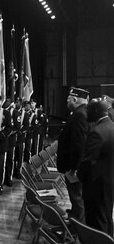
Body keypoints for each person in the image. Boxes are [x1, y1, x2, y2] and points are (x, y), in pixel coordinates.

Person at [78, 98, 114, 236]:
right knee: (106, 219)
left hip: (96, 186)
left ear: (96, 111)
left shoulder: (97, 132)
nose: (86, 113)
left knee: (96, 224)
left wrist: (79, 176)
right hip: (109, 181)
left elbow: (88, 162)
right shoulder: (111, 126)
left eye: (88, 110)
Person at [57, 87, 90, 222]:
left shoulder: (79, 115)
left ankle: (79, 229)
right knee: (75, 197)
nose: (67, 101)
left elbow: (80, 144)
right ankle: (75, 218)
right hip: (75, 165)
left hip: (74, 167)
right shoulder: (81, 112)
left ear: (75, 99)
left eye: (68, 99)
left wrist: (76, 168)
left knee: (77, 197)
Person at [3, 98, 21, 187]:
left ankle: (9, 178)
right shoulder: (2, 111)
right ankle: (2, 179)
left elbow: (17, 127)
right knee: (3, 162)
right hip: (3, 141)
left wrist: (8, 133)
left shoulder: (15, 112)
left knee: (10, 160)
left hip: (10, 140)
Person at [14, 97, 29, 178]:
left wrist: (19, 132)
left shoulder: (25, 114)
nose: (17, 104)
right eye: (16, 102)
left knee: (20, 156)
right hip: (13, 139)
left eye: (18, 102)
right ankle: (13, 171)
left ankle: (18, 171)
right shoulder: (13, 112)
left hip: (20, 139)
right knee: (13, 157)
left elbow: (26, 126)